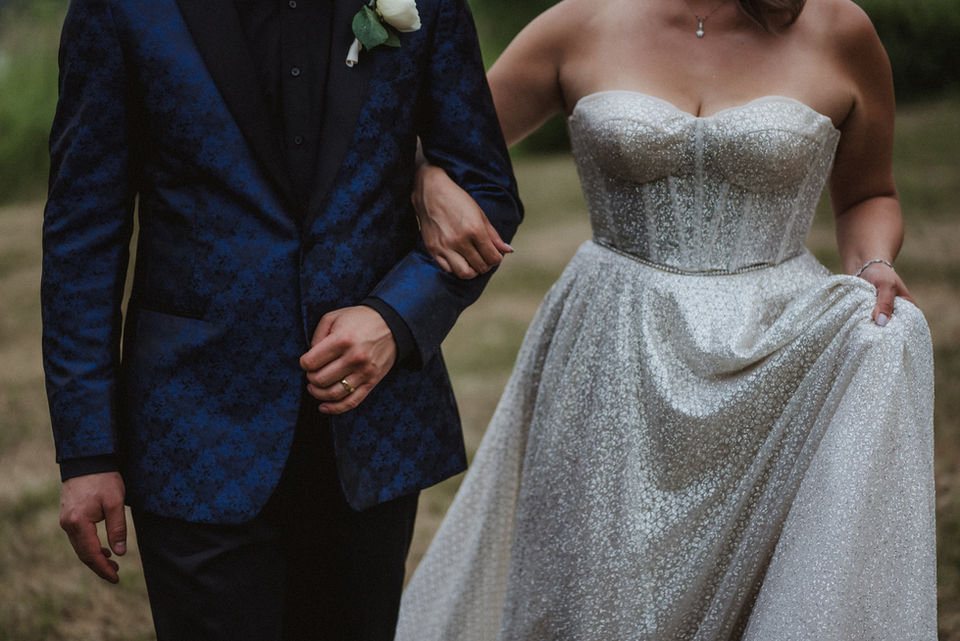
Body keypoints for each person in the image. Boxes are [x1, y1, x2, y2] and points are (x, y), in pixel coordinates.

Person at [394, 0, 937, 638]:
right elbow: (438, 141)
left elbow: (870, 193)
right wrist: (425, 178)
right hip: (613, 349)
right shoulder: (581, 20)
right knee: (601, 593)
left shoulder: (839, 29)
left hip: (776, 356)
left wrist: (871, 263)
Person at [40, 0, 521, 638]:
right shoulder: (122, 9)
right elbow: (83, 236)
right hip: (195, 428)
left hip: (369, 429)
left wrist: (396, 319)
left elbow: (484, 192)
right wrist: (87, 450)